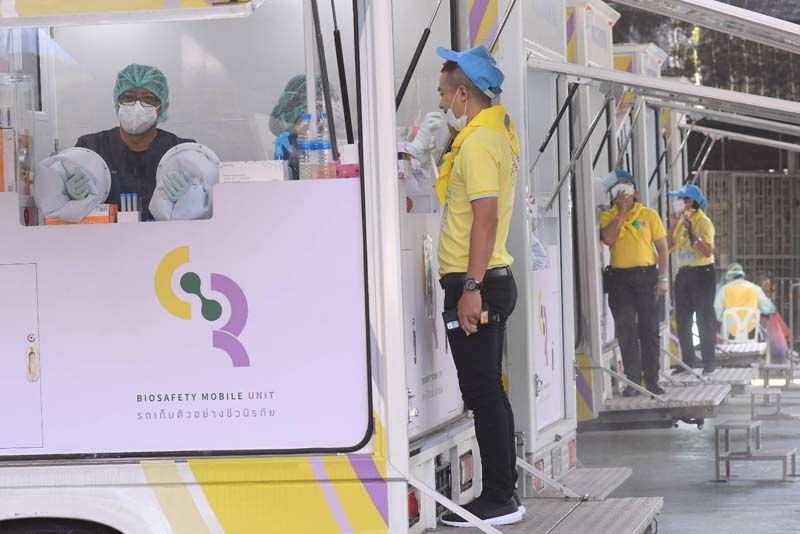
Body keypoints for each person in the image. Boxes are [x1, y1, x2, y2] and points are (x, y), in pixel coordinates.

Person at [432, 45, 522, 528]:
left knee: (484, 394)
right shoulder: (490, 136)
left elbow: (484, 220)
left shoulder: (480, 144)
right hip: (486, 280)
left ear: (463, 94)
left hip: (478, 284)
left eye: (443, 93)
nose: (441, 102)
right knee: (490, 392)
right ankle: (503, 493)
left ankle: (499, 499)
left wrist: (470, 286)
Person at [73, 64, 201, 221]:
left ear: (160, 106)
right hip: (103, 235)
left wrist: (193, 198)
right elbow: (59, 207)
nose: (137, 106)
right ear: (117, 103)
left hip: (166, 236)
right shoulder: (90, 148)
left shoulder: (181, 151)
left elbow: (204, 211)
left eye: (148, 98)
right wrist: (69, 196)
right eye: (128, 97)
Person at [599, 170, 669, 396]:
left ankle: (652, 380)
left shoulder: (649, 215)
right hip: (620, 280)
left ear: (636, 192)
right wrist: (620, 212)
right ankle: (633, 381)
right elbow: (608, 238)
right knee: (626, 329)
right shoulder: (607, 216)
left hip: (647, 276)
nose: (622, 190)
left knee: (649, 330)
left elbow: (662, 249)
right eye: (617, 186)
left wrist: (663, 279)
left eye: (626, 185)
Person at [668, 184, 717, 374]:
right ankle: (688, 361)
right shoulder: (681, 221)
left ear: (690, 202)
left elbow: (708, 251)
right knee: (682, 319)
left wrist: (694, 235)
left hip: (702, 273)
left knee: (704, 318)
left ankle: (709, 362)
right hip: (684, 273)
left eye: (680, 199)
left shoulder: (704, 222)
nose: (676, 202)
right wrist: (673, 224)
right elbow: (668, 245)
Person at [714, 263, 775, 339]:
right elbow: (768, 308)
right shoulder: (755, 289)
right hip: (752, 331)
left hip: (730, 331)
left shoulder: (724, 290)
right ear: (742, 275)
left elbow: (716, 312)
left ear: (728, 276)